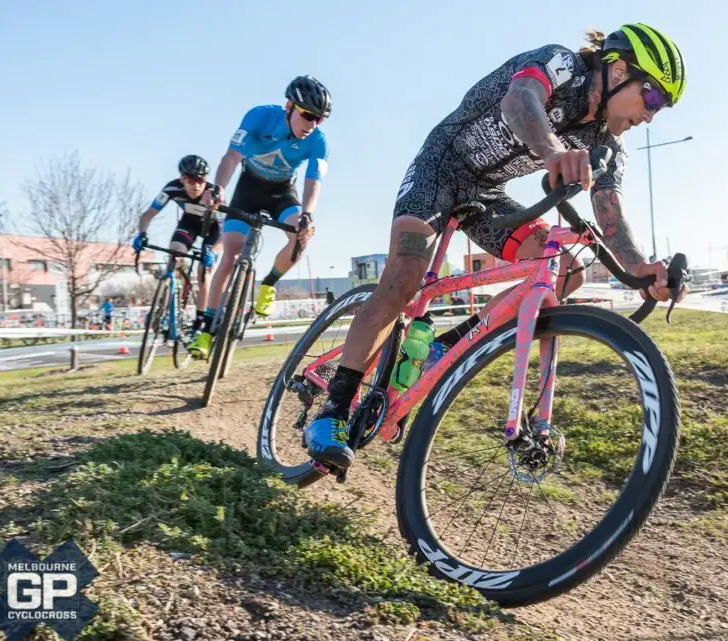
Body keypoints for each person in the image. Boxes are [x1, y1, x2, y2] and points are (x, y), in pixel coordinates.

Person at [303, 24, 688, 471]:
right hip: (440, 169)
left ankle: (445, 347)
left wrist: (641, 270)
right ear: (619, 69)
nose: (651, 115)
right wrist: (552, 153)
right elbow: (519, 100)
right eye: (654, 97)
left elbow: (609, 210)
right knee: (404, 277)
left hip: (485, 193)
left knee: (566, 271)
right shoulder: (561, 64)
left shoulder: (606, 143)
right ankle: (332, 411)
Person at [191, 75, 331, 357]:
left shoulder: (318, 141)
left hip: (282, 193)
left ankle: (268, 283)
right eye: (307, 115)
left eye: (319, 119)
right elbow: (231, 157)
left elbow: (314, 178)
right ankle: (205, 330)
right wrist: (218, 189)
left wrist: (307, 213)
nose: (312, 124)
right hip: (248, 188)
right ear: (289, 106)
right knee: (230, 255)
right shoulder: (259, 116)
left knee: (300, 237)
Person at [133, 155, 225, 346]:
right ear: (182, 179)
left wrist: (214, 251)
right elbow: (149, 213)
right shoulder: (172, 188)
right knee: (174, 255)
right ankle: (166, 310)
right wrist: (141, 233)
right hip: (189, 224)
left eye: (200, 180)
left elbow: (226, 231)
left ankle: (199, 321)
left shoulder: (213, 194)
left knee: (203, 272)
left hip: (214, 230)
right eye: (190, 180)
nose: (195, 185)